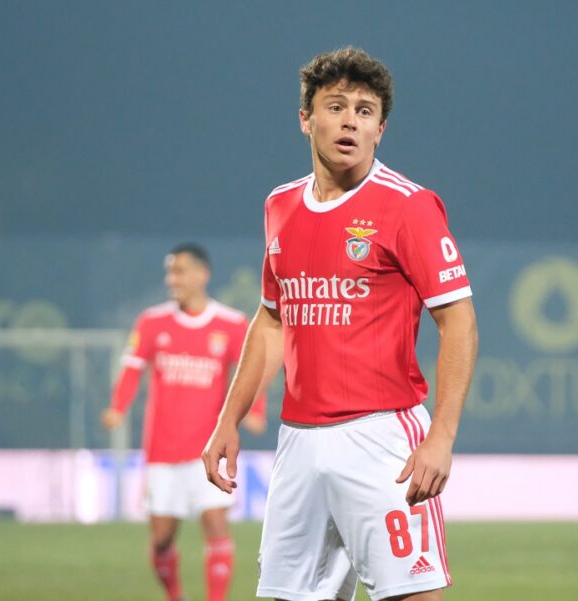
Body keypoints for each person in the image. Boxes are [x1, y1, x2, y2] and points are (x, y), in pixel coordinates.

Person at [203, 48, 479, 601]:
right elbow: (272, 319)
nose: (351, 119)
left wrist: (441, 438)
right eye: (336, 106)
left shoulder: (409, 205)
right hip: (298, 443)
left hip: (381, 441)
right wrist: (228, 418)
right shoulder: (279, 205)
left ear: (380, 129)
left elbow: (459, 322)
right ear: (306, 119)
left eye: (365, 110)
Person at [102, 243, 267, 601]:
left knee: (216, 525)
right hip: (162, 449)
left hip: (207, 450)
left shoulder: (231, 323)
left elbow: (252, 370)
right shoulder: (152, 322)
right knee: (161, 539)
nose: (171, 279)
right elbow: (132, 369)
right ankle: (176, 597)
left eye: (178, 271)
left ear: (201, 274)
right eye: (169, 272)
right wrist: (118, 406)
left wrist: (255, 410)